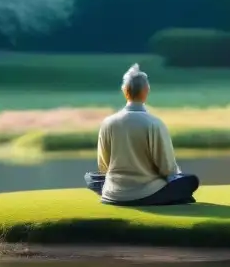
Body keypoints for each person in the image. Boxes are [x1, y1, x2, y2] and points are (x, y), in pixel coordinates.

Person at [83, 63, 200, 206]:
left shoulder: (108, 123)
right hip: (147, 192)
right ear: (146, 91)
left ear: (125, 91)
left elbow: (103, 166)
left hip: (113, 193)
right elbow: (167, 169)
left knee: (90, 178)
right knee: (190, 181)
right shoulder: (154, 123)